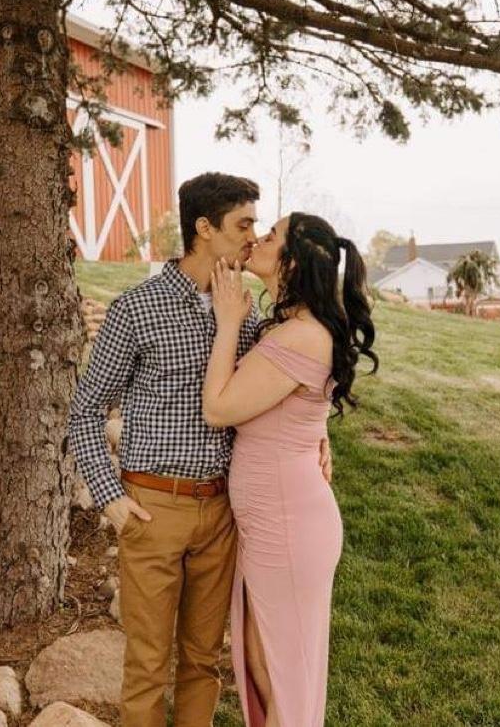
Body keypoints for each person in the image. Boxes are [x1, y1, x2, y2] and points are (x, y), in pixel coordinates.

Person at [68, 174, 331, 727]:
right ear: (205, 228)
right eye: (244, 224)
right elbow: (86, 409)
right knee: (147, 665)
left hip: (223, 514)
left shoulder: (247, 315)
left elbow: (280, 388)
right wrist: (110, 497)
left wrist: (318, 434)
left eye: (258, 226)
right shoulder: (136, 309)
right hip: (153, 508)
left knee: (203, 662)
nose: (253, 236)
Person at [202, 212, 378, 727]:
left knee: (285, 675)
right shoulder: (294, 328)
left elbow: (218, 409)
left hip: (288, 526)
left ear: (292, 261)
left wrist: (227, 322)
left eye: (272, 235)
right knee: (263, 663)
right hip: (273, 521)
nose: (258, 238)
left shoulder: (301, 335)